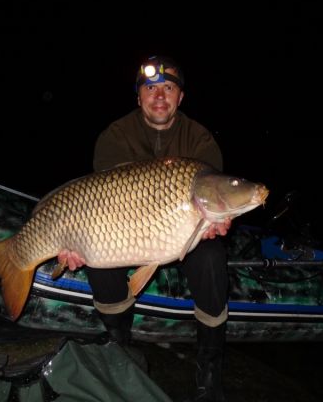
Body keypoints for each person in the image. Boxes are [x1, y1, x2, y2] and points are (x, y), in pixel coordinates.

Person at [86, 55, 231, 402]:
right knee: (95, 259)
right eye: (150, 88)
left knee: (212, 259)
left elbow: (215, 198)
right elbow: (99, 204)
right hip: (123, 225)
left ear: (180, 98)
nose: (160, 96)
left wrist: (213, 223)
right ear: (139, 98)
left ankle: (209, 370)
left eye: (168, 88)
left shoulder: (200, 140)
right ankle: (120, 350)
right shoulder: (115, 136)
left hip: (185, 232)